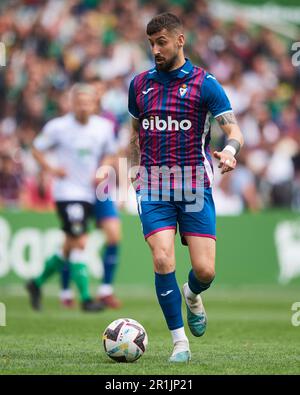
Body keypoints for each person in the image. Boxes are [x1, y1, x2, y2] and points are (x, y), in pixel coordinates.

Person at [128, 13, 244, 362]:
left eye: (161, 42)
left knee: (205, 271)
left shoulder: (205, 84)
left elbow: (234, 130)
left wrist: (230, 150)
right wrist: (134, 167)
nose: (155, 50)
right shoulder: (138, 85)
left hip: (194, 186)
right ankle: (180, 343)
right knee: (162, 258)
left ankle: (192, 294)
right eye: (151, 44)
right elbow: (135, 134)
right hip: (153, 184)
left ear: (180, 40)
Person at [26, 83, 117, 312]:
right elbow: (36, 148)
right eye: (79, 102)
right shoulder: (58, 127)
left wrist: (104, 168)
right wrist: (51, 169)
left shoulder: (103, 127)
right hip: (67, 193)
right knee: (80, 241)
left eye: (88, 102)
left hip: (88, 195)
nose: (84, 107)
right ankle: (86, 299)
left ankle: (35, 283)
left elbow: (111, 152)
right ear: (72, 103)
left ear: (94, 104)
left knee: (67, 246)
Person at [59, 78, 122, 309]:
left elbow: (113, 153)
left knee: (114, 235)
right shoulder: (70, 121)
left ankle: (105, 289)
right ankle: (66, 291)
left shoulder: (109, 121)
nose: (95, 95)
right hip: (77, 188)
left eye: (98, 91)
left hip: (101, 188)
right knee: (73, 242)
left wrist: (111, 175)